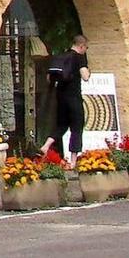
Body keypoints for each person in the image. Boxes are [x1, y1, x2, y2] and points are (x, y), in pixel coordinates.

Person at [40, 33, 90, 162]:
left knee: (61, 125)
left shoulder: (61, 56)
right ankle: (73, 161)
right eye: (86, 47)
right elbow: (85, 76)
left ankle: (45, 146)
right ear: (81, 46)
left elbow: (49, 78)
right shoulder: (79, 58)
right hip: (74, 98)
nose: (86, 50)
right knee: (77, 127)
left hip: (61, 97)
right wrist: (87, 72)